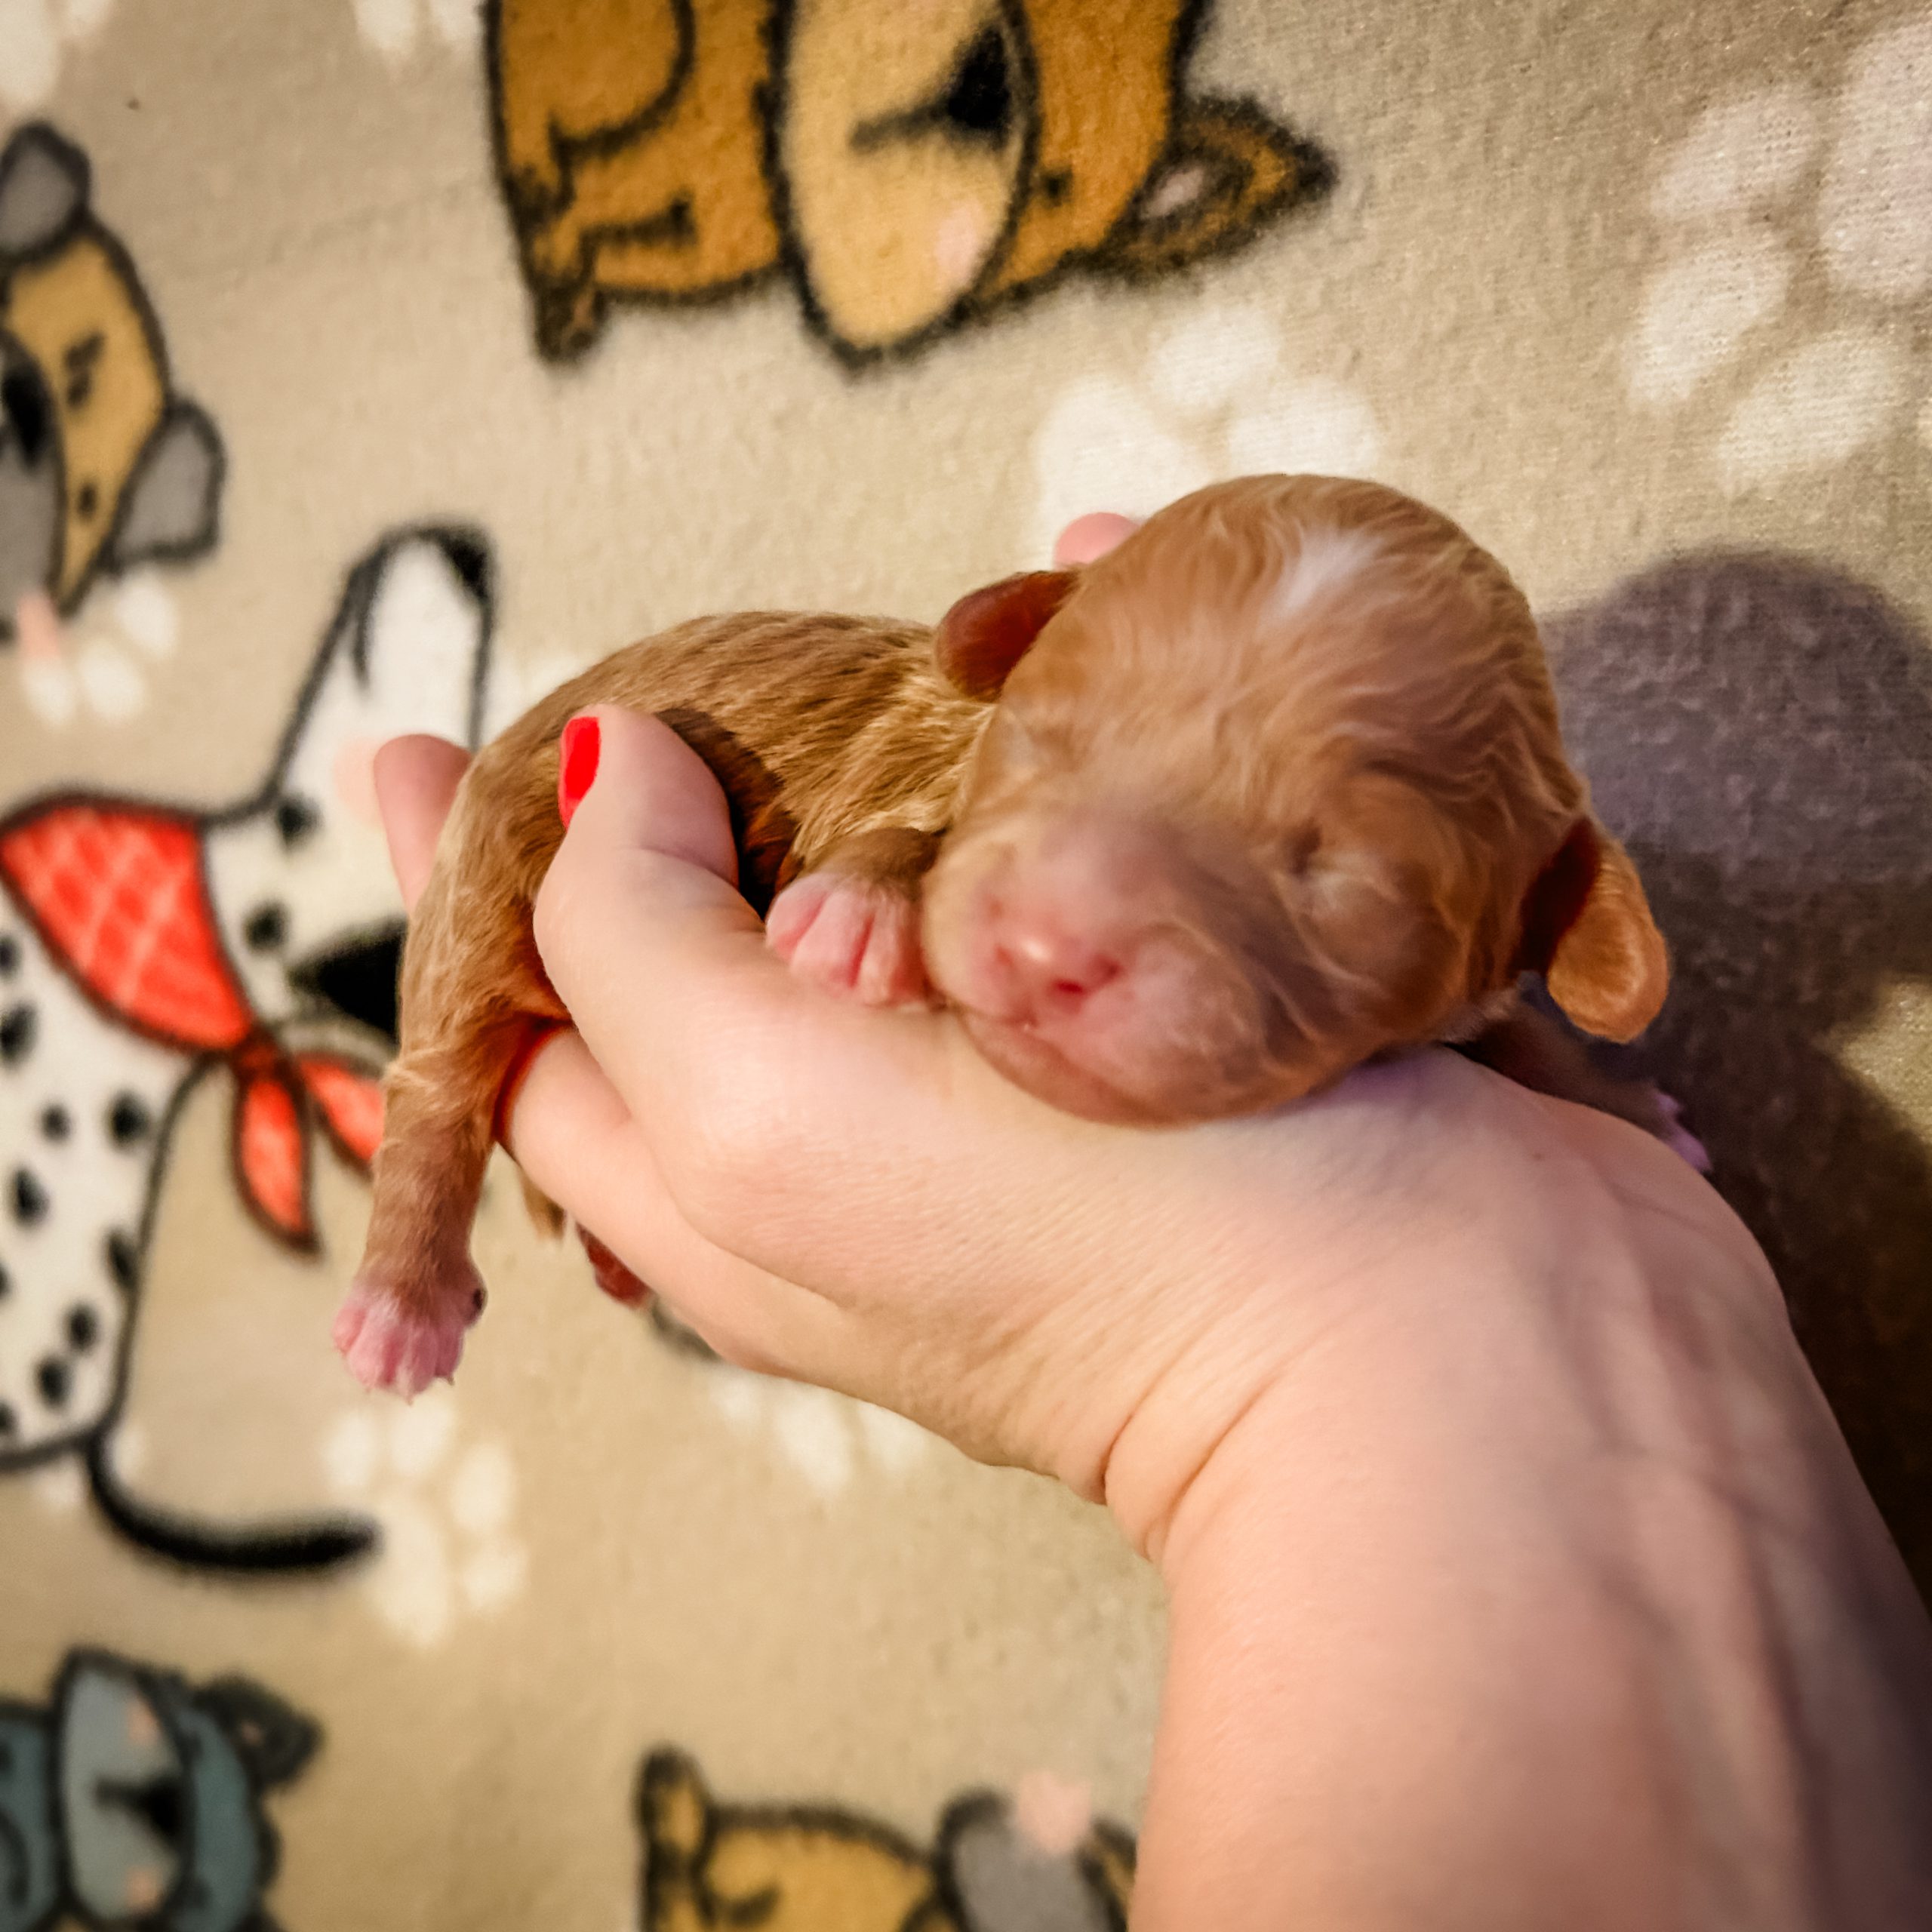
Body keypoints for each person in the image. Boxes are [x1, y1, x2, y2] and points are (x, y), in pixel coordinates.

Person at [371, 512, 1932, 1930]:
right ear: (1013, 652)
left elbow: (1467, 1010)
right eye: (1049, 737)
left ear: (1543, 918)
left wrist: (1557, 1093)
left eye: (1319, 868)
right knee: (458, 1062)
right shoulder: (947, 754)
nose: (1054, 919)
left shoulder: (1502, 957)